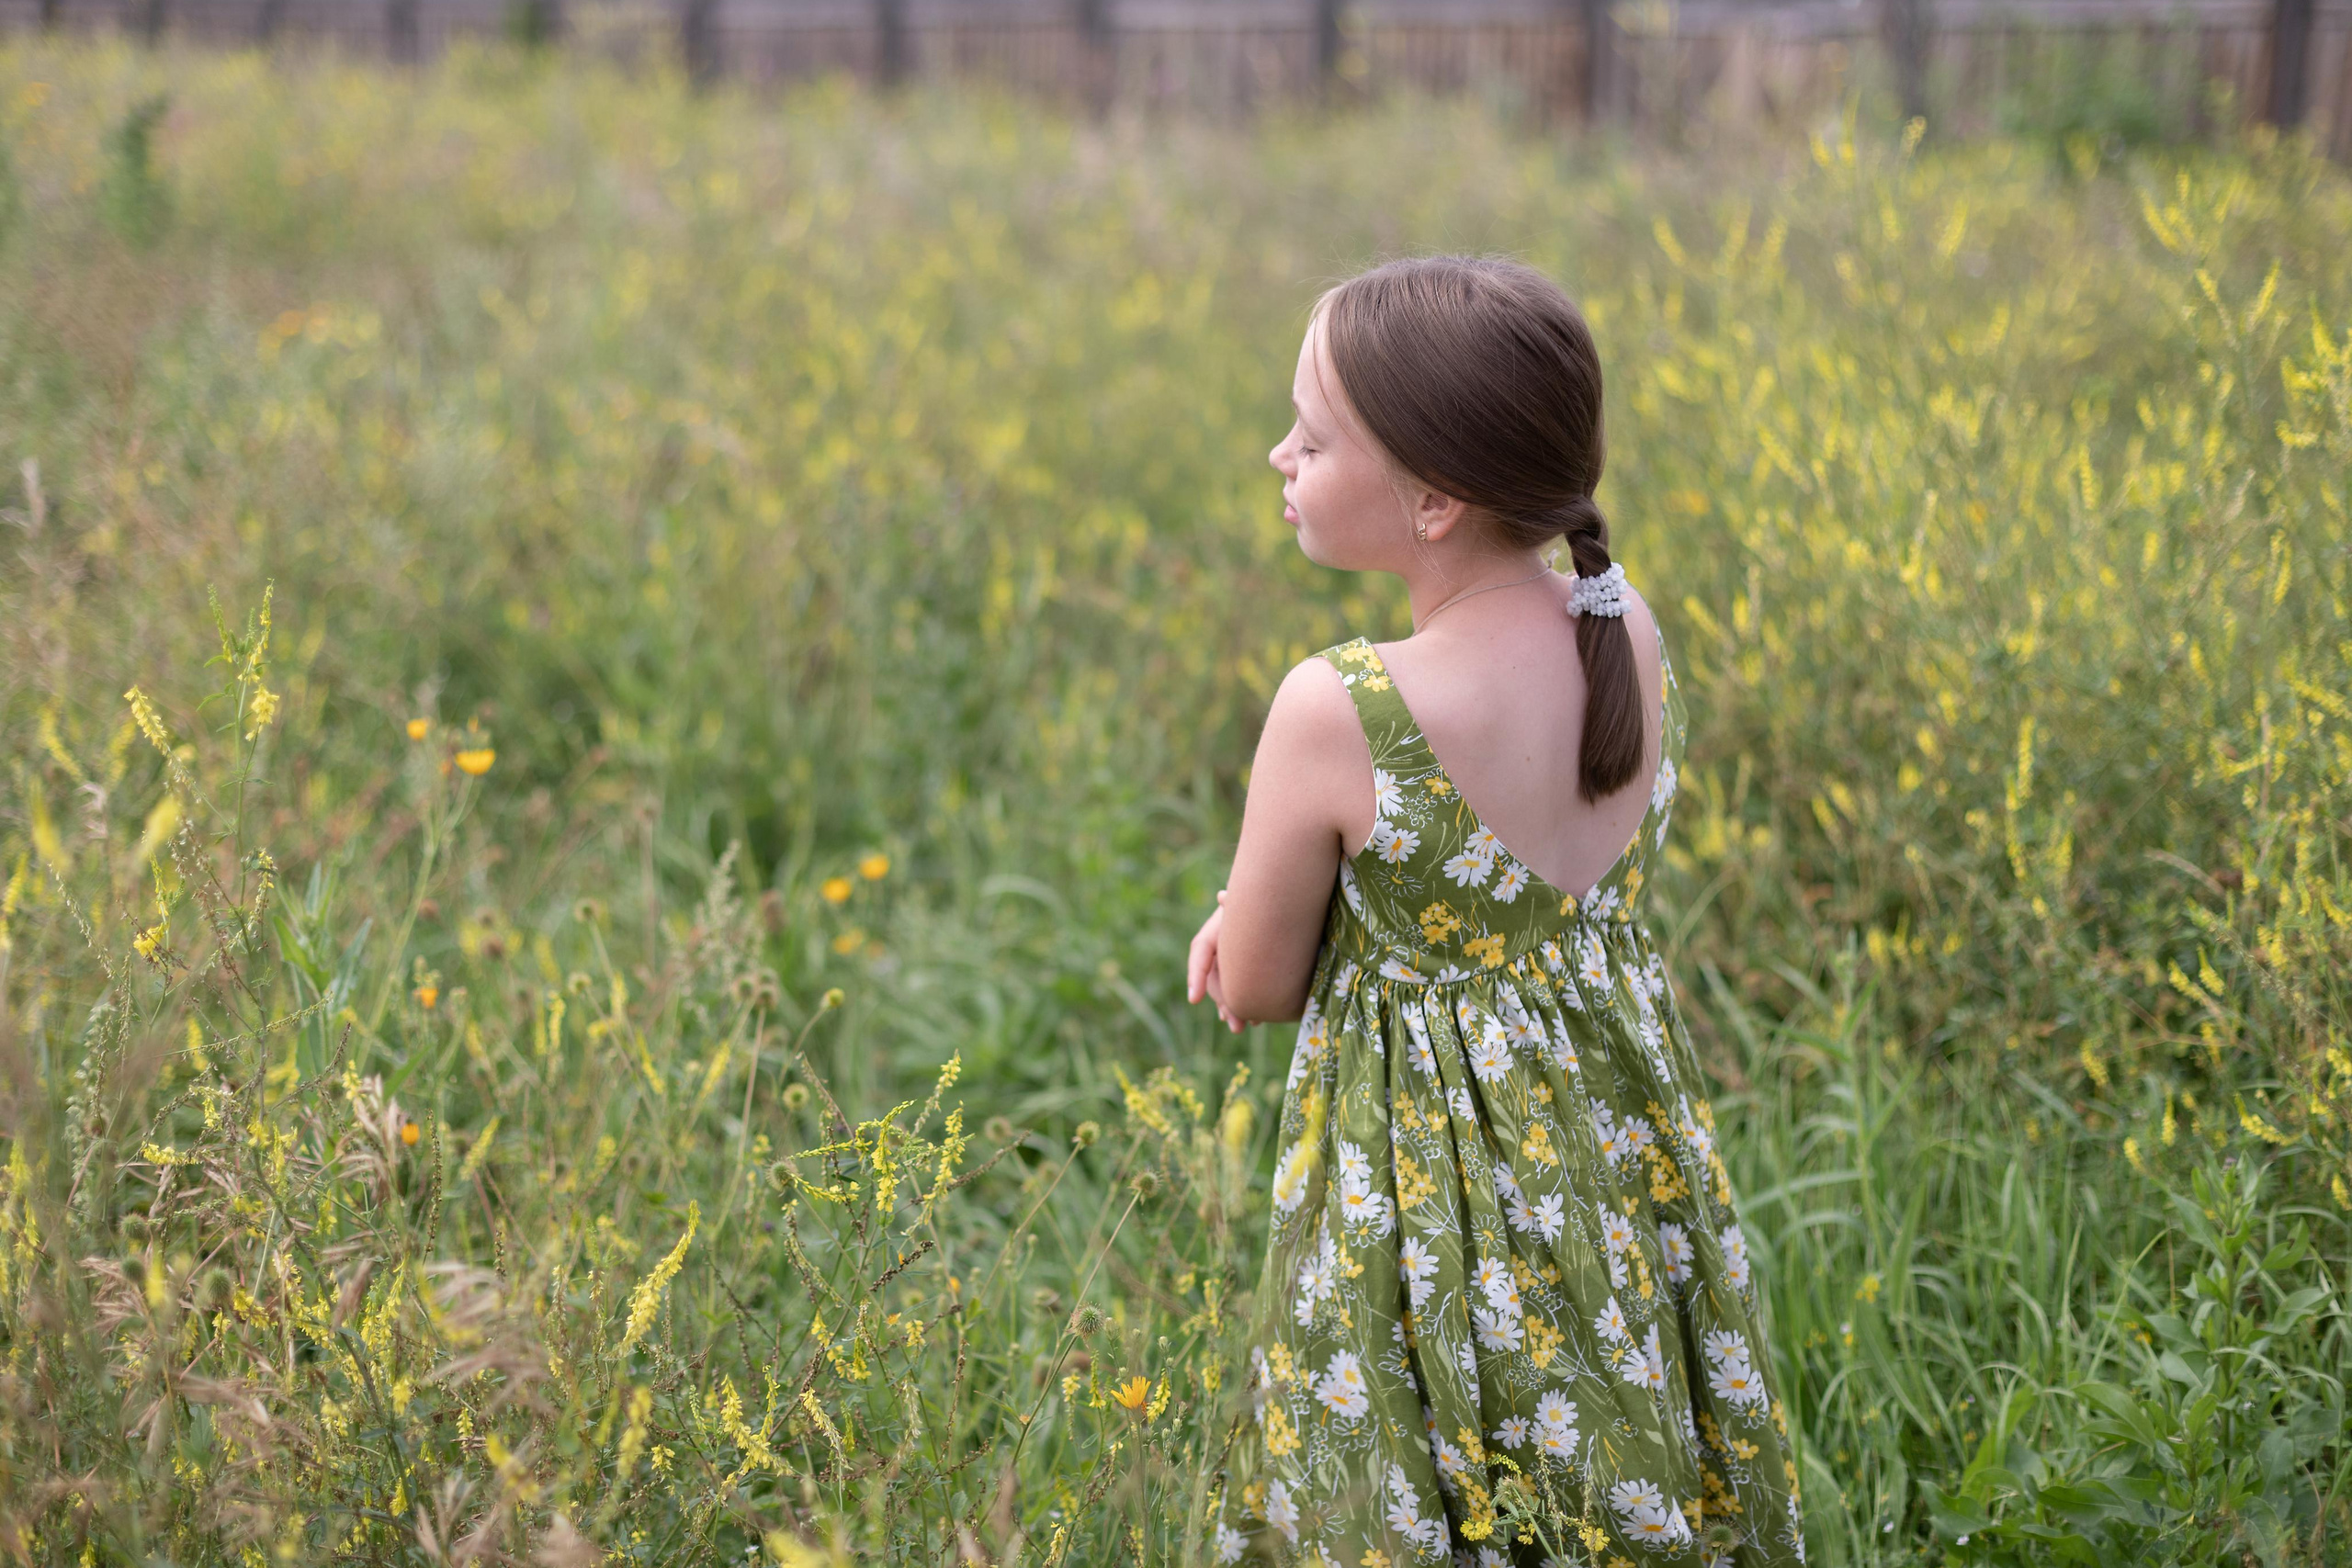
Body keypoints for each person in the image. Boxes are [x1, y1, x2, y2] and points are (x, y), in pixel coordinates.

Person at [1185, 256, 1804, 1565]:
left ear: (1433, 499)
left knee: (1421, 1476)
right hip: (1617, 1166)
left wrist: (1236, 925)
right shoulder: (1619, 621)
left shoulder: (1344, 707)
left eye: (1313, 433)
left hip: (1423, 1205)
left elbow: (1254, 986)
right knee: (1608, 1447)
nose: (1278, 452)